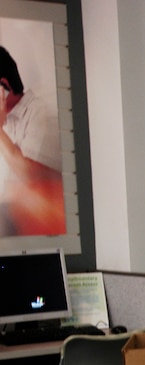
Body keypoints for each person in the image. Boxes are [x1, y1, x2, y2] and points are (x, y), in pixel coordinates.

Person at [0, 46, 64, 235]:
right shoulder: (6, 121)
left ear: (4, 86)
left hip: (34, 233)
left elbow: (29, 176)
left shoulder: (40, 111)